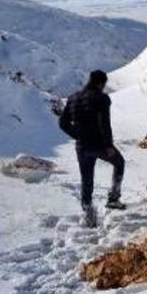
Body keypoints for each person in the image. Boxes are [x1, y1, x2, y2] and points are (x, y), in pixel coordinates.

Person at [58, 70, 126, 227]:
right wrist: (108, 145)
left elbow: (63, 123)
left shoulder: (73, 98)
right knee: (119, 163)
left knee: (86, 179)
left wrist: (78, 135)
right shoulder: (101, 98)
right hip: (99, 144)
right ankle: (113, 199)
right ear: (100, 83)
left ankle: (88, 214)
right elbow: (104, 123)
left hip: (82, 146)